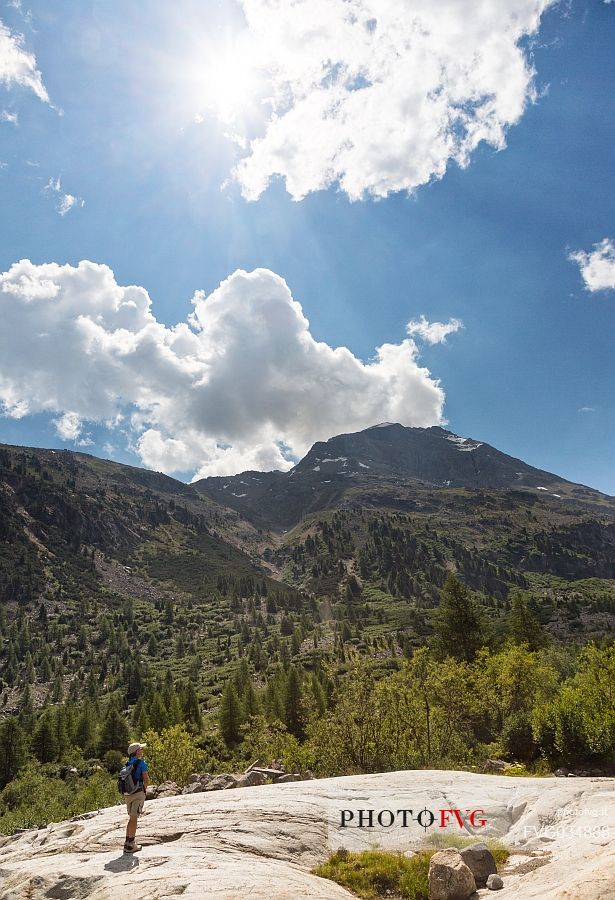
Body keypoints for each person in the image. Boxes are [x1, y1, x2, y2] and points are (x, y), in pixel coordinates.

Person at [124, 741, 150, 853]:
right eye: (141, 749)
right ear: (136, 752)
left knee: (131, 818)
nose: (142, 751)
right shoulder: (141, 763)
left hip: (127, 794)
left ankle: (127, 842)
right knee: (134, 818)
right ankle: (131, 845)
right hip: (137, 793)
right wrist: (144, 791)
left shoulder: (127, 764)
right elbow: (146, 779)